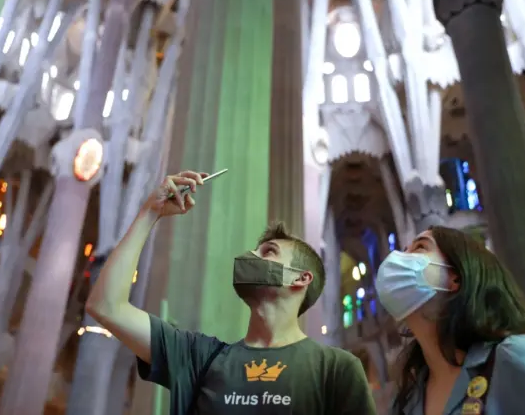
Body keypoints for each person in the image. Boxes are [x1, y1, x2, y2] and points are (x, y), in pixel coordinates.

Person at [86, 171, 377, 415]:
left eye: (268, 252)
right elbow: (106, 306)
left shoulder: (336, 369)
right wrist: (149, 213)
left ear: (300, 279)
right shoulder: (200, 357)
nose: (250, 255)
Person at [375, 226, 525, 415]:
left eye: (420, 248)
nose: (399, 258)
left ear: (456, 278)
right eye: (404, 250)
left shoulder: (514, 358)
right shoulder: (406, 400)